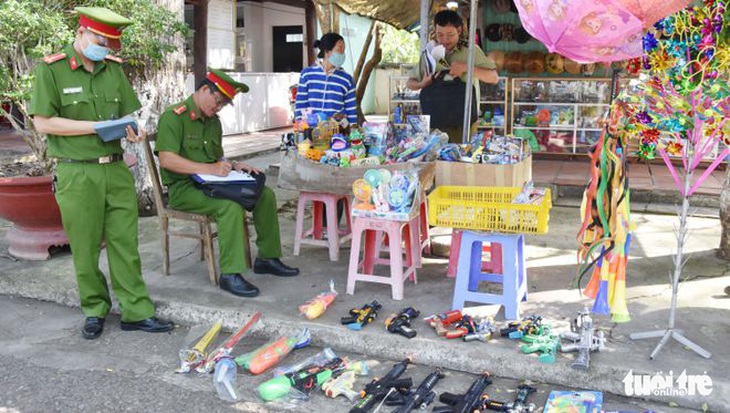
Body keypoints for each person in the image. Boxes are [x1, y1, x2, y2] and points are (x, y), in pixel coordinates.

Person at [29, 7, 174, 339]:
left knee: (126, 244)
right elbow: (43, 123)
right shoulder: (52, 70)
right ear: (81, 33)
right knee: (85, 246)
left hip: (116, 171)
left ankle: (136, 311)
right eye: (100, 40)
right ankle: (95, 309)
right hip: (77, 174)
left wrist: (133, 130)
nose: (105, 49)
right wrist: (94, 127)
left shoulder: (113, 71)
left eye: (110, 44)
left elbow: (128, 116)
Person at [155, 68, 299, 298]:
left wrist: (233, 165)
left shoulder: (213, 122)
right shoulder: (174, 117)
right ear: (204, 89)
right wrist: (209, 169)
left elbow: (215, 157)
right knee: (229, 207)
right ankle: (230, 275)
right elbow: (166, 159)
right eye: (218, 101)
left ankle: (267, 258)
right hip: (184, 189)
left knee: (265, 195)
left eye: (223, 104)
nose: (218, 107)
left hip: (213, 183)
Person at [407, 9, 499, 143]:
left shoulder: (471, 51)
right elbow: (410, 83)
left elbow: (494, 77)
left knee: (461, 160)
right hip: (436, 120)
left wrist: (466, 67)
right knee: (436, 160)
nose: (445, 39)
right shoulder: (430, 53)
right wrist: (422, 84)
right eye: (440, 35)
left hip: (464, 121)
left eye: (450, 35)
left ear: (459, 31)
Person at [295, 32, 357, 126]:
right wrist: (300, 127)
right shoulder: (307, 75)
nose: (342, 53)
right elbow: (301, 105)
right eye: (339, 49)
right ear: (327, 51)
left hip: (337, 133)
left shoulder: (347, 79)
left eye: (344, 49)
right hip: (312, 132)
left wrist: (353, 130)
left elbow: (351, 109)